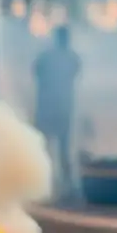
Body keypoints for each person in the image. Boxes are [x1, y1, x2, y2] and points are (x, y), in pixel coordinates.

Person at [33, 25, 81, 200]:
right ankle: (61, 187)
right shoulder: (72, 57)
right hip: (62, 108)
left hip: (48, 106)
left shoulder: (45, 57)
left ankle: (47, 186)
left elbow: (37, 74)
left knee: (49, 148)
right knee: (62, 149)